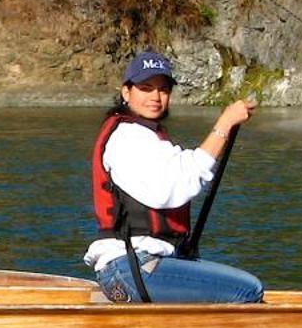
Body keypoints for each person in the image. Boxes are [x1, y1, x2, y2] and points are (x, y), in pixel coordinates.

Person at [87, 48, 265, 304]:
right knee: (248, 290)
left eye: (163, 89)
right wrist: (224, 123)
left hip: (145, 264)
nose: (156, 97)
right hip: (130, 268)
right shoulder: (127, 137)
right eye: (146, 88)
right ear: (126, 92)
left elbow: (183, 169)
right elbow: (176, 185)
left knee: (238, 286)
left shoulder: (145, 135)